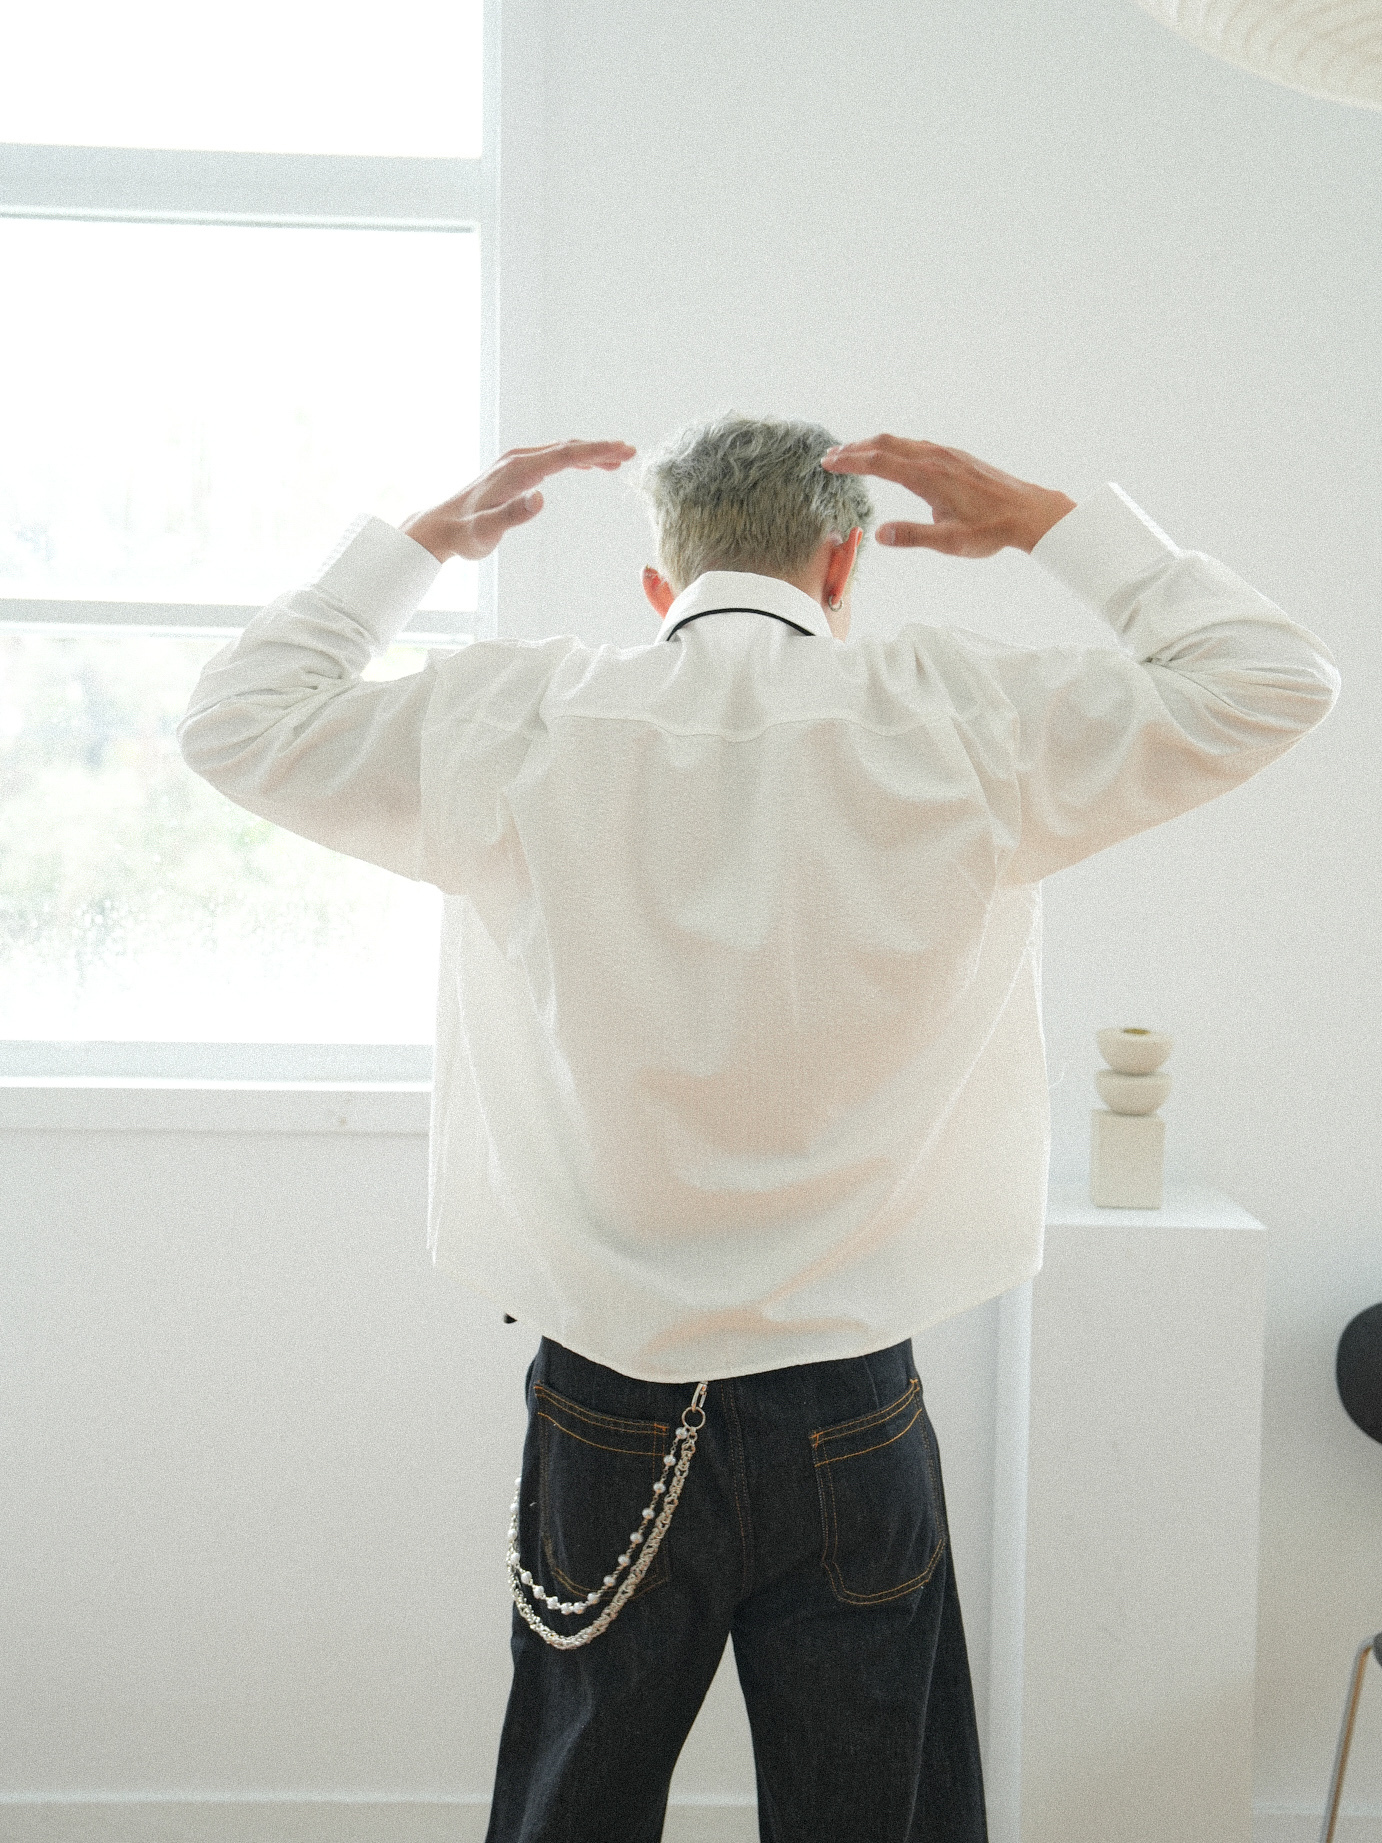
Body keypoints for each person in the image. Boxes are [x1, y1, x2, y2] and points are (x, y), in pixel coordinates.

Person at [178, 416, 1339, 1842]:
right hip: (850, 1402)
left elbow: (235, 723)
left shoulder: (522, 719)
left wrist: (418, 548)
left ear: (658, 585)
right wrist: (1047, 521)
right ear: (844, 564)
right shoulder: (954, 716)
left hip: (610, 1400)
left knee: (570, 1811)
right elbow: (1272, 679)